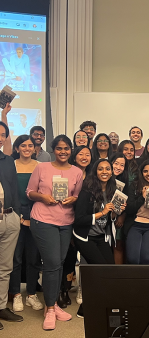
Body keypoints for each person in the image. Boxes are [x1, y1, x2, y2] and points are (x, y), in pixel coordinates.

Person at [27, 135, 83, 330]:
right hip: (43, 219)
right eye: (59, 148)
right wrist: (43, 197)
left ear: (71, 150)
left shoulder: (77, 172)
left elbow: (78, 195)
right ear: (53, 150)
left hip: (66, 222)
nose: (63, 152)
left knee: (58, 263)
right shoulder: (41, 167)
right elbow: (30, 192)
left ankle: (54, 304)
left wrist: (73, 200)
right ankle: (50, 308)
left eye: (66, 148)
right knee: (51, 263)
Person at [73, 159, 122, 317]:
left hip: (101, 236)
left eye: (108, 169)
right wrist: (102, 212)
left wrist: (114, 213)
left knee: (110, 269)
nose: (105, 172)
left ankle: (104, 303)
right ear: (95, 172)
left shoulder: (112, 190)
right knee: (99, 270)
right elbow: (79, 219)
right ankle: (85, 308)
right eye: (101, 169)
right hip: (85, 237)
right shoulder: (86, 192)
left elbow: (109, 218)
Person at [9, 135, 43, 313]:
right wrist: (20, 217)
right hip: (15, 213)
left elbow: (42, 191)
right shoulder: (11, 165)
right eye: (23, 145)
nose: (27, 148)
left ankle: (31, 294)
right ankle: (15, 294)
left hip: (36, 214)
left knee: (33, 257)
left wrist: (32, 217)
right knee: (15, 257)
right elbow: (9, 192)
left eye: (30, 145)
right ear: (17, 148)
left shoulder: (40, 166)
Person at [56, 146, 92, 309]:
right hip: (67, 218)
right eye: (80, 154)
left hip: (86, 223)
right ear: (74, 156)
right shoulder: (68, 172)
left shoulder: (93, 174)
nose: (84, 157)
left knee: (84, 257)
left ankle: (83, 290)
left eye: (87, 154)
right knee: (68, 256)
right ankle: (63, 290)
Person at [0, 121, 23, 329]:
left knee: (5, 267)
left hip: (9, 218)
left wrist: (16, 214)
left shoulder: (8, 161)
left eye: (2, 134)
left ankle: (0, 307)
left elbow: (14, 189)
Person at [109, 152, 130, 264]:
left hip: (117, 218)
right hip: (102, 219)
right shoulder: (102, 177)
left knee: (118, 245)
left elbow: (127, 201)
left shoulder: (124, 182)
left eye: (122, 165)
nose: (118, 167)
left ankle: (118, 275)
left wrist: (122, 215)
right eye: (116, 163)